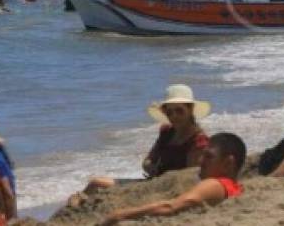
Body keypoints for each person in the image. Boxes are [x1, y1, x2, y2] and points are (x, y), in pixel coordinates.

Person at [70, 84, 210, 205]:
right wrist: (150, 166)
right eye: (169, 112)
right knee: (94, 184)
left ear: (190, 110)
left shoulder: (198, 141)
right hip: (152, 183)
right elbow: (147, 161)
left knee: (97, 184)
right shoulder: (167, 132)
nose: (174, 116)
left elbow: (190, 178)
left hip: (167, 190)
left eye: (179, 111)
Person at [100, 133, 246, 225]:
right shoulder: (233, 187)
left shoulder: (215, 183)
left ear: (228, 163)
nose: (201, 160)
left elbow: (170, 207)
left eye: (209, 156)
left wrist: (119, 215)